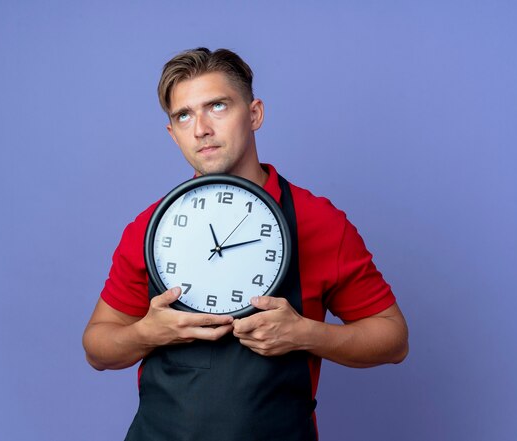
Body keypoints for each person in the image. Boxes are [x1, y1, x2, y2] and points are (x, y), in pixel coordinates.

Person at [83, 47, 409, 441]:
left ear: (254, 114)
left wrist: (306, 334)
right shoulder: (150, 228)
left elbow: (394, 340)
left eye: (217, 106)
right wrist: (145, 334)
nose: (200, 127)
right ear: (173, 133)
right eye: (183, 115)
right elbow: (97, 349)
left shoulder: (317, 220)